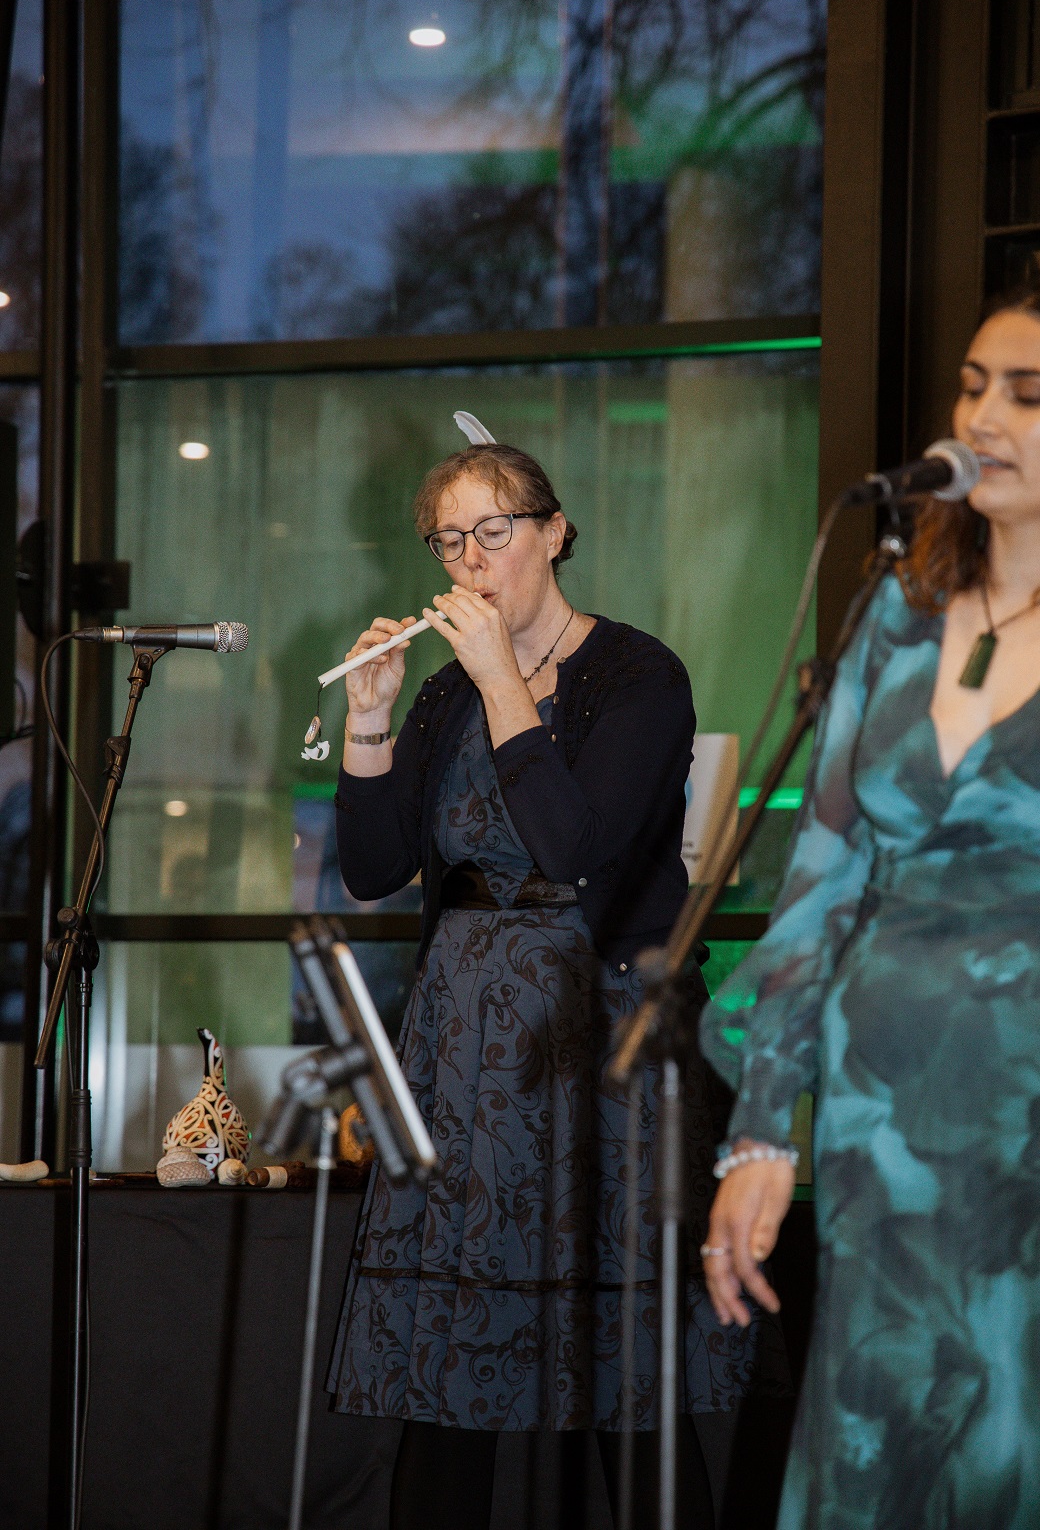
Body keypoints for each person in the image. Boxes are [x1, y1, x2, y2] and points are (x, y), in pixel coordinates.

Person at [327, 437, 784, 1530]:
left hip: (599, 1040)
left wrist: (498, 681)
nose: (471, 560)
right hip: (461, 1046)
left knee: (621, 1365)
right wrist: (373, 719)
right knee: (446, 1364)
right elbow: (374, 866)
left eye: (493, 532)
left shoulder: (636, 676)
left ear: (553, 533)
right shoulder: (440, 699)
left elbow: (568, 849)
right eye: (449, 540)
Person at [699, 289, 1040, 1528]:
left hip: (1024, 1129)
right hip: (875, 1127)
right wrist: (758, 1138)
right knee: (867, 1446)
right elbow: (816, 885)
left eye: (1025, 392)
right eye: (969, 385)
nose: (982, 416)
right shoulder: (890, 618)